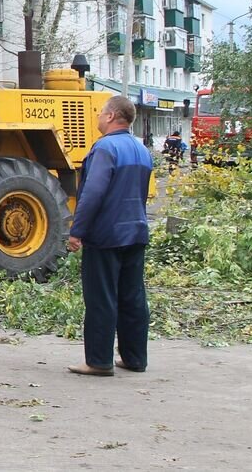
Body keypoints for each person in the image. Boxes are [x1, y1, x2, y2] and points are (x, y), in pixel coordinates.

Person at [66, 95, 153, 377]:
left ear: (113, 115)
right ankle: (135, 358)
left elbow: (93, 193)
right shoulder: (141, 150)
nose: (98, 117)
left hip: (106, 235)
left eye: (101, 112)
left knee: (101, 297)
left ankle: (99, 361)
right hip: (136, 231)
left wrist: (77, 230)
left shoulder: (105, 148)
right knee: (133, 297)